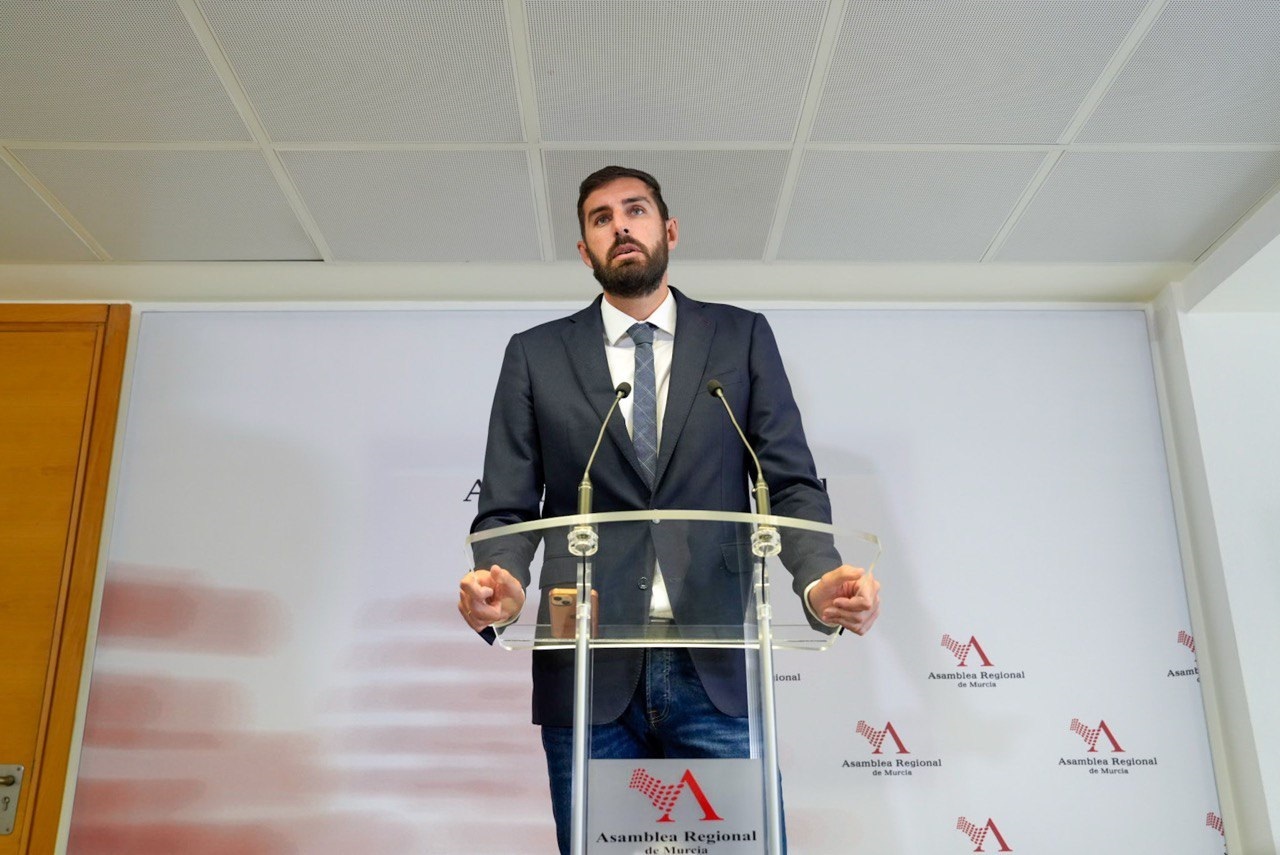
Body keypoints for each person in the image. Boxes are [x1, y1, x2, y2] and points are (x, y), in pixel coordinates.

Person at [458, 166, 880, 852]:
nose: (620, 226)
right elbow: (507, 504)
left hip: (714, 662)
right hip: (587, 663)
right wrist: (499, 585)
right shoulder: (536, 355)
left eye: (636, 210)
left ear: (669, 230)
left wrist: (816, 578)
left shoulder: (740, 337)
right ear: (585, 250)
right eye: (601, 218)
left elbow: (789, 483)